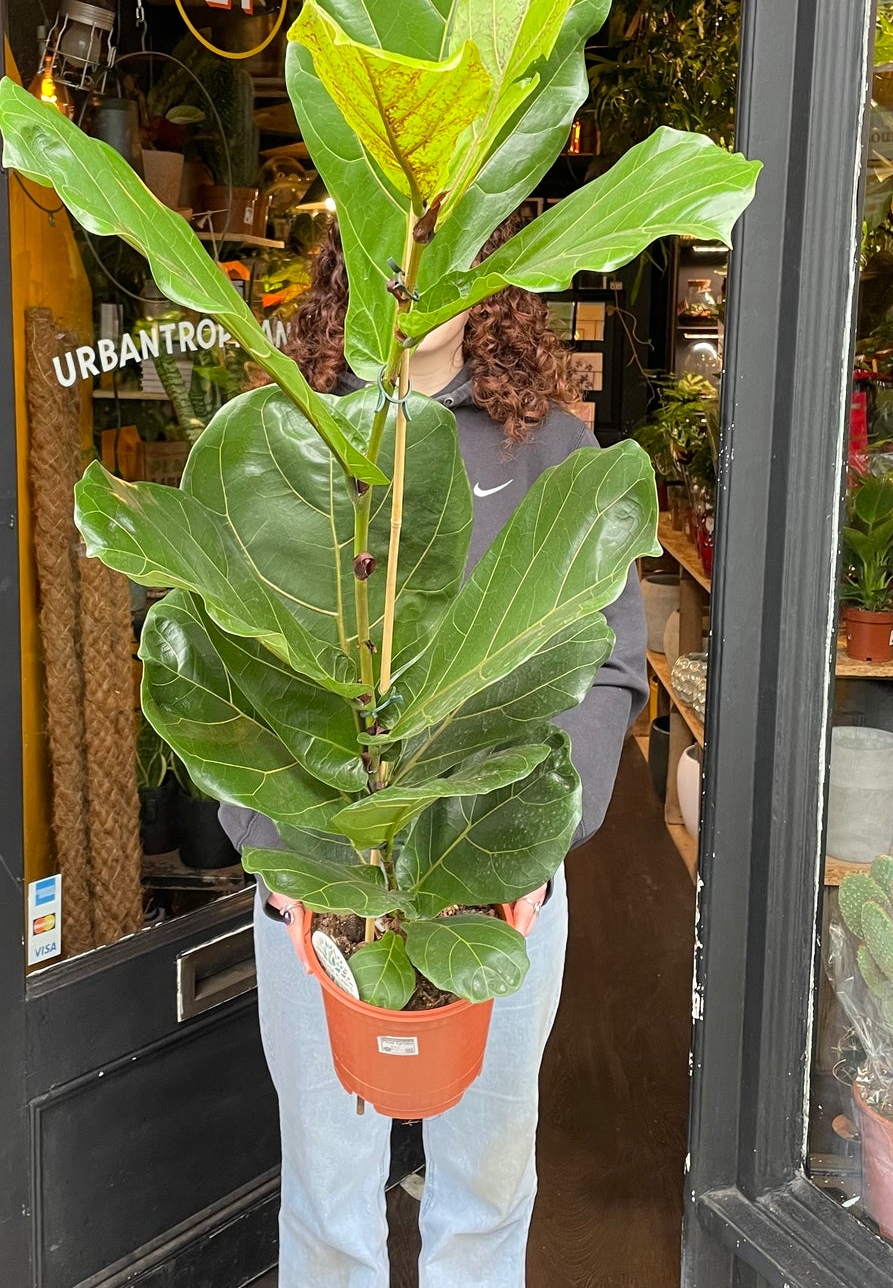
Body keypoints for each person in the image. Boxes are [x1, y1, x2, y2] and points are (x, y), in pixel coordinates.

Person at [219, 220, 649, 1287]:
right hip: (322, 892)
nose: (416, 268)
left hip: (496, 891)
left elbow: (607, 665)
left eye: (452, 239)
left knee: (488, 1195)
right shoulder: (285, 433)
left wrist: (536, 832)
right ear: (348, 256)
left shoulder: (549, 449)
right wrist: (281, 853)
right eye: (391, 235)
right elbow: (220, 667)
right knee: (328, 1206)